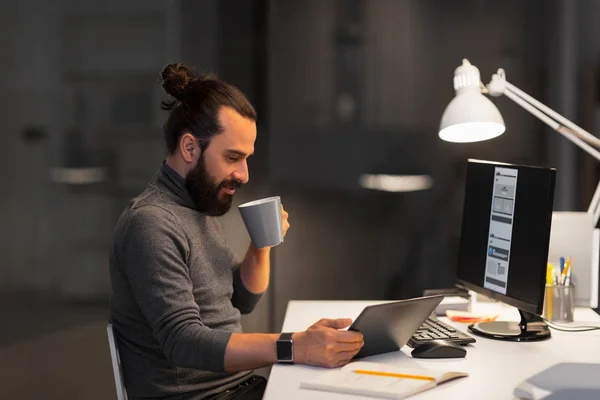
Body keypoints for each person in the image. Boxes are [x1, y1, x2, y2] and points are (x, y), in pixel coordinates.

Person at [108, 62, 364, 400]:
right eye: (233, 157)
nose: (243, 174)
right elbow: (184, 343)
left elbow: (243, 298)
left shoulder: (196, 208)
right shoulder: (151, 223)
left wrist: (262, 245)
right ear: (189, 148)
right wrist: (294, 345)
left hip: (237, 388)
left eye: (246, 159)